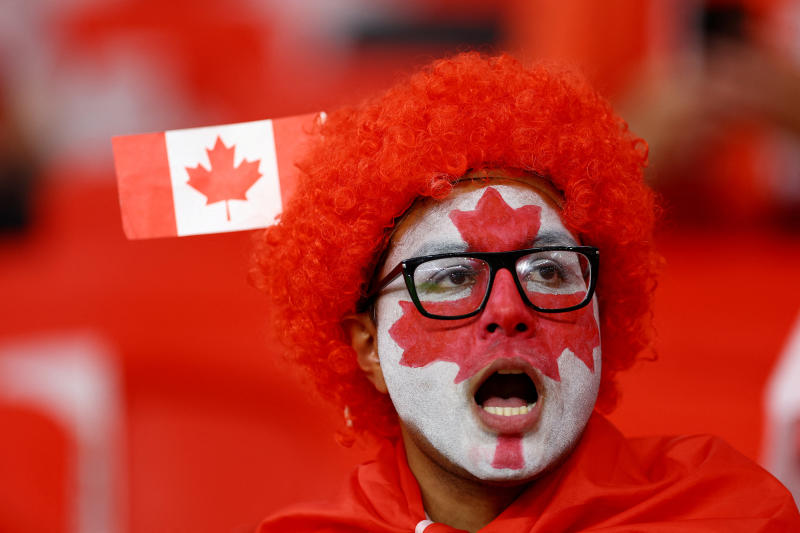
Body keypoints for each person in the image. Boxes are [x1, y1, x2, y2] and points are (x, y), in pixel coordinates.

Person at [253, 53, 800, 532]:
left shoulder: (726, 516)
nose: (508, 310)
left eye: (548, 271)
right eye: (452, 277)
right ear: (368, 346)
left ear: (602, 316)